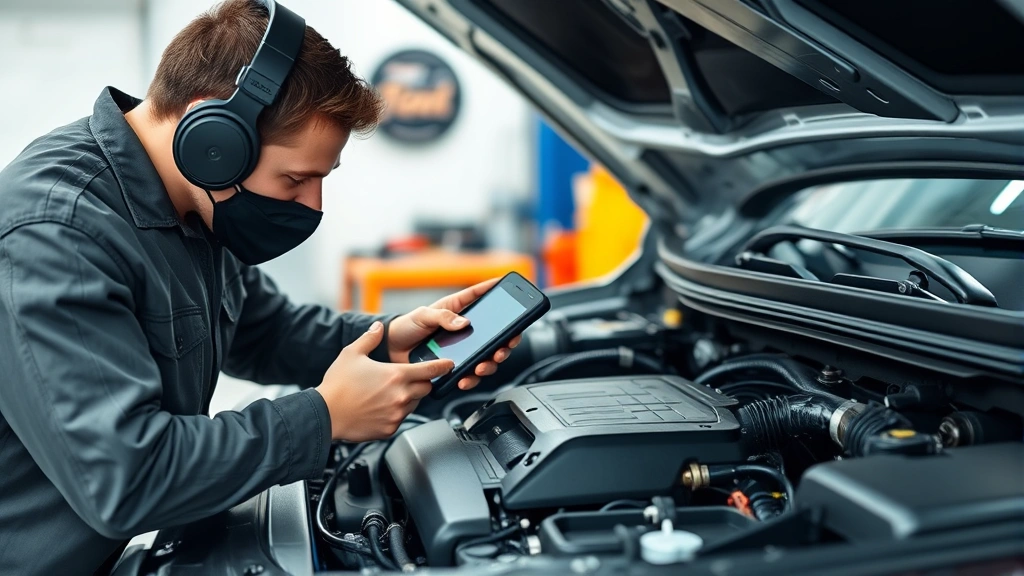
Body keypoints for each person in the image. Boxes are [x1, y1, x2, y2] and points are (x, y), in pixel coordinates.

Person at [0, 1, 520, 574]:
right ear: (212, 140)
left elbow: (265, 329)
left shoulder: (197, 201)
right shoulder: (56, 235)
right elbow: (128, 479)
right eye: (297, 179)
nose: (313, 205)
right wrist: (322, 417)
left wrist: (389, 340)